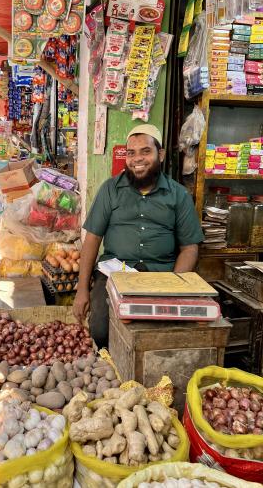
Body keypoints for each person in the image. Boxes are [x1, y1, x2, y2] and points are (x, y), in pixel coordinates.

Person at [73, 124, 204, 348]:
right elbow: (92, 239)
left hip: (162, 277)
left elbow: (190, 248)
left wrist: (173, 288)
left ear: (160, 155)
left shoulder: (178, 195)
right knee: (101, 332)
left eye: (145, 151)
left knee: (163, 337)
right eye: (131, 153)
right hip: (114, 276)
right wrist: (82, 289)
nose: (137, 159)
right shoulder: (110, 190)